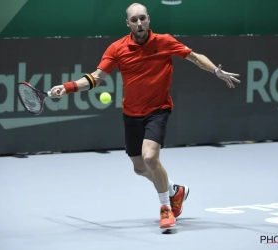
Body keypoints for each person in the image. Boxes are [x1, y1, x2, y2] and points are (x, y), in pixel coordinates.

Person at [50, 2, 241, 230]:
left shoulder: (165, 41)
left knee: (150, 158)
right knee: (140, 168)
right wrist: (68, 87)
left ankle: (165, 209)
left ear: (148, 19)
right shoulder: (117, 48)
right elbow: (96, 77)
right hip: (131, 114)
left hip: (158, 110)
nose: (139, 23)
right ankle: (174, 190)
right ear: (127, 23)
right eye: (134, 20)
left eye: (142, 18)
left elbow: (194, 57)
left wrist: (215, 71)